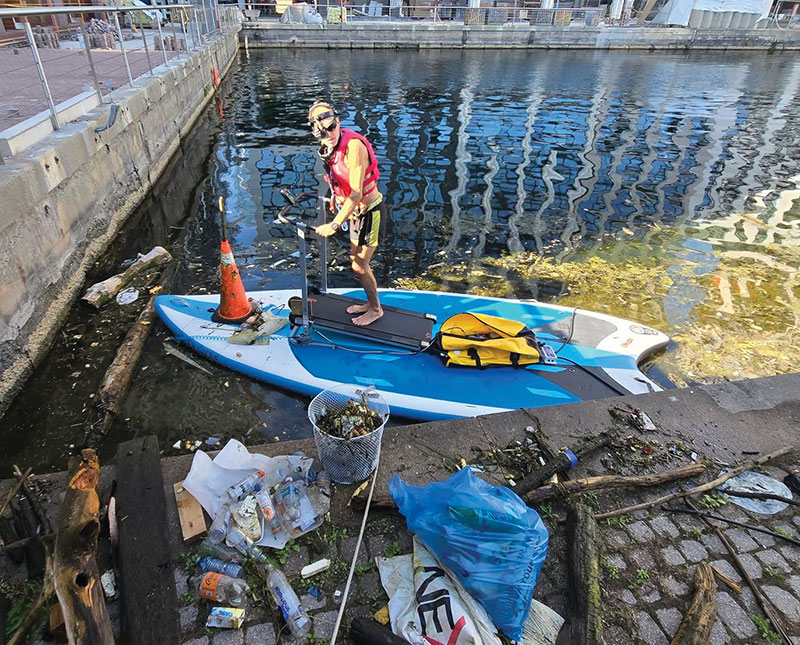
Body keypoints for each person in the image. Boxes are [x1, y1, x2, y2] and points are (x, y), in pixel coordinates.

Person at [309, 100, 387, 327]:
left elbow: (356, 193)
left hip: (370, 212)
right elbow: (338, 179)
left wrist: (334, 225)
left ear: (338, 123)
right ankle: (370, 303)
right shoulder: (329, 148)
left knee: (360, 265)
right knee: (355, 261)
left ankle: (376, 309)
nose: (329, 135)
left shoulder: (354, 146)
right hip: (354, 214)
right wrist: (335, 197)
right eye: (323, 133)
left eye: (332, 128)